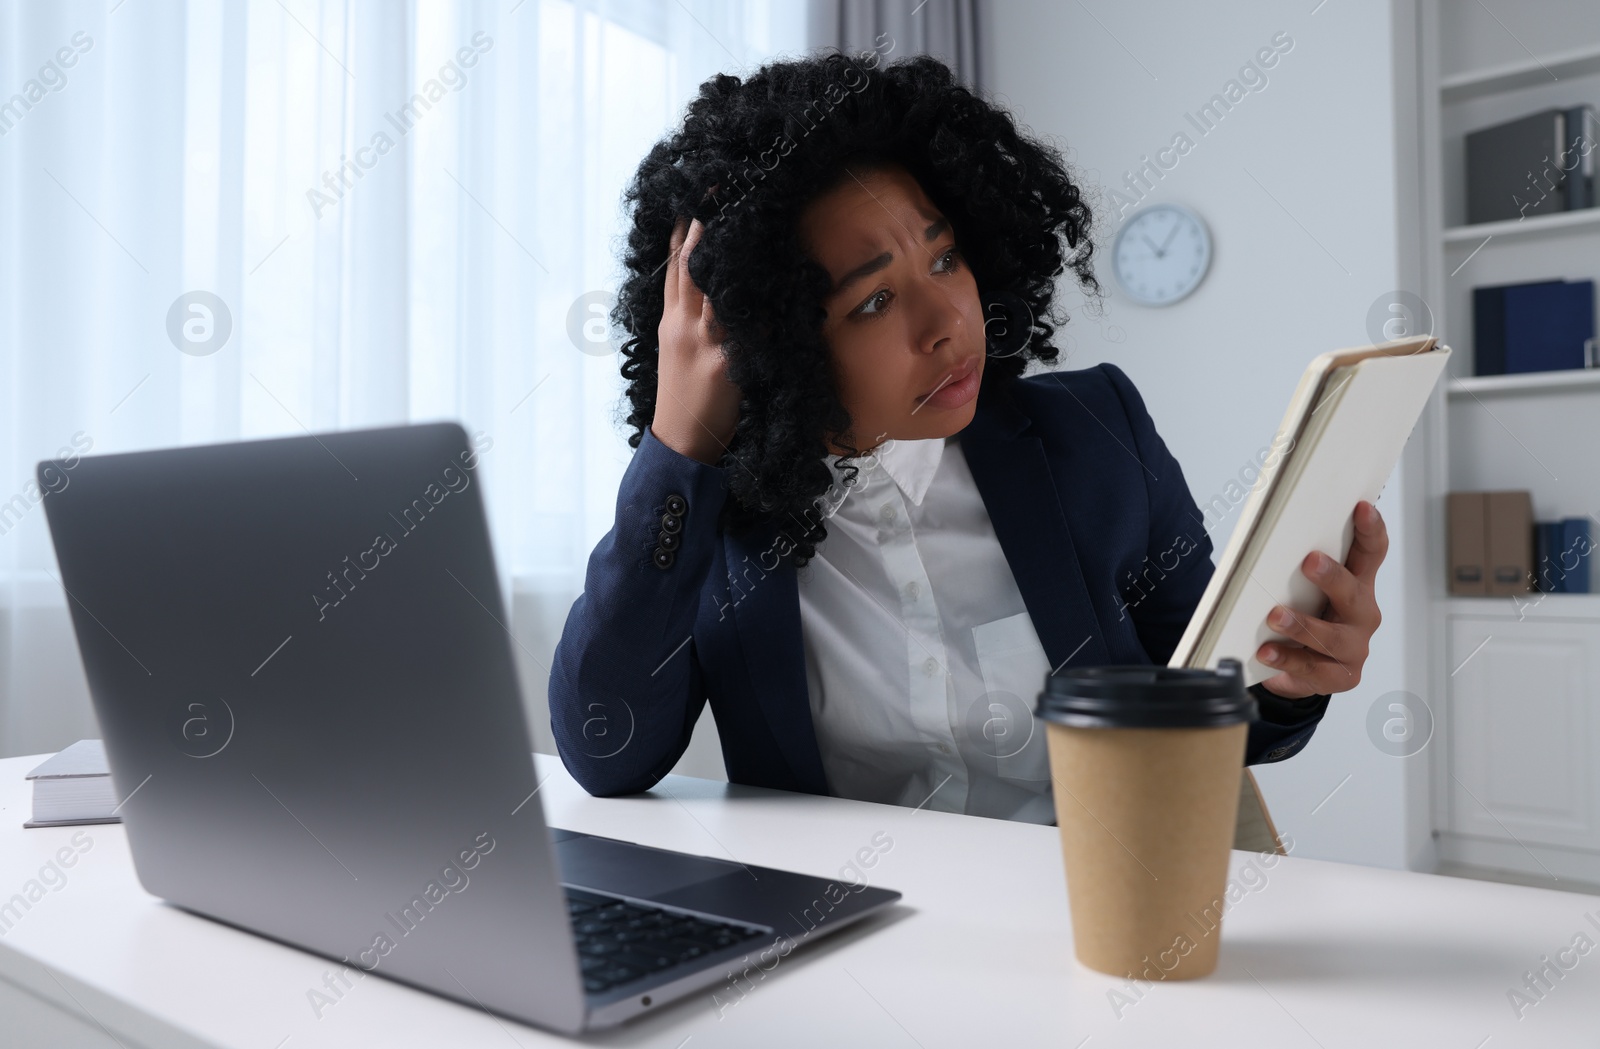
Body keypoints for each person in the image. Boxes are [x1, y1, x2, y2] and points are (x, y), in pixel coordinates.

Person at [548, 51, 1386, 823]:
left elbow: (1226, 715)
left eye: (945, 260)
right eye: (874, 301)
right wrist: (677, 445)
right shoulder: (718, 514)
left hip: (1101, 917)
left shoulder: (1094, 434)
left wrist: (1288, 679)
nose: (949, 321)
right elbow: (607, 751)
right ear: (773, 343)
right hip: (853, 942)